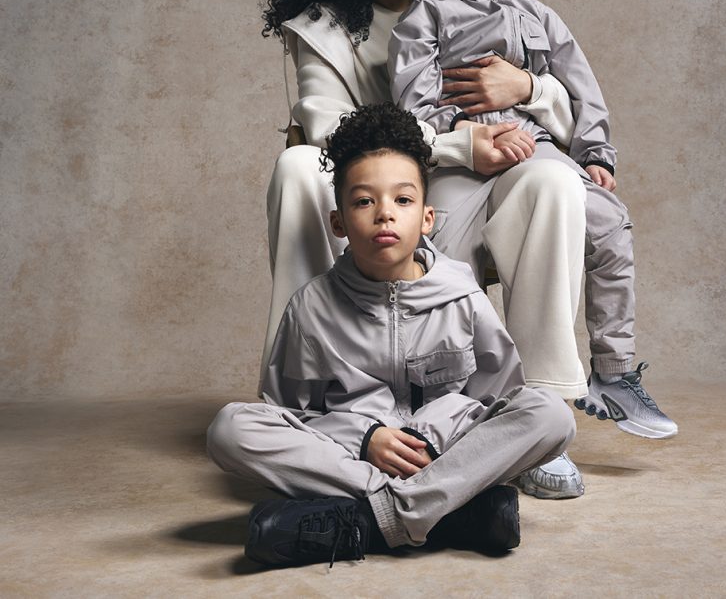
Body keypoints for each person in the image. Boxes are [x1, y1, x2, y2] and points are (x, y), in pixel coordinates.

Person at [260, 0, 590, 497]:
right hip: (377, 205)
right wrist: (458, 147)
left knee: (553, 180)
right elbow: (327, 130)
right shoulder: (321, 28)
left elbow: (569, 103)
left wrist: (525, 85)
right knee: (298, 165)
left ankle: (537, 411)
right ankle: (303, 406)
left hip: (464, 199)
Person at [207, 104, 576, 567]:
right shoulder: (310, 307)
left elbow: (496, 400)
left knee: (551, 414)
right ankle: (438, 513)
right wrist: (367, 437)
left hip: (442, 454)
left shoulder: (463, 297)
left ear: (427, 218)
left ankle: (371, 519)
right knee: (230, 428)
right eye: (364, 202)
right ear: (338, 223)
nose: (385, 214)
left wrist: (431, 437)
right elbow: (291, 416)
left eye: (403, 201)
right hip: (356, 460)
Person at [390, 0, 677, 438]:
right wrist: (464, 130)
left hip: (536, 150)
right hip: (464, 159)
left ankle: (613, 371)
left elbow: (582, 89)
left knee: (610, 222)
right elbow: (411, 101)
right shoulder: (426, 12)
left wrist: (595, 153)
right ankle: (458, 398)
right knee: (442, 254)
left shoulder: (539, 14)